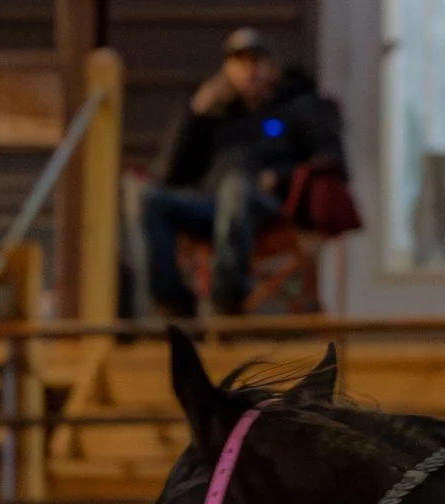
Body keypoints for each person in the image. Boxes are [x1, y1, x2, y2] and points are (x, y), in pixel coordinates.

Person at [135, 29, 344, 316]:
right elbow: (168, 174)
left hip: (269, 208)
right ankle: (173, 301)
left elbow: (328, 158)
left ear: (272, 68)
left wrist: (280, 177)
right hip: (211, 207)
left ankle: (227, 297)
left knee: (236, 188)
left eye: (257, 61)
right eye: (240, 62)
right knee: (151, 199)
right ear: (227, 70)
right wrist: (195, 114)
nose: (250, 71)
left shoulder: (294, 109)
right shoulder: (215, 118)